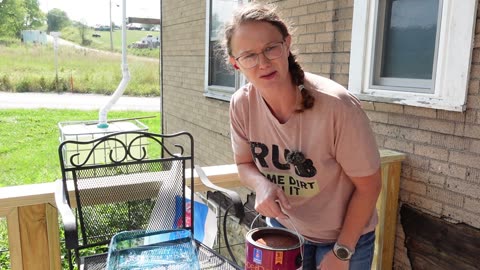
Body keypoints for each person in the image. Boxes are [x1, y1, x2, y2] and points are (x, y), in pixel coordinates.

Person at [222, 3, 382, 270]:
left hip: (343, 238)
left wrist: (342, 252)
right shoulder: (241, 105)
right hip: (285, 231)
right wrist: (262, 186)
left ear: (287, 44)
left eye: (270, 48)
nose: (262, 63)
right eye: (249, 56)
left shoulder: (336, 106)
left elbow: (370, 186)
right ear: (235, 64)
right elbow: (244, 165)